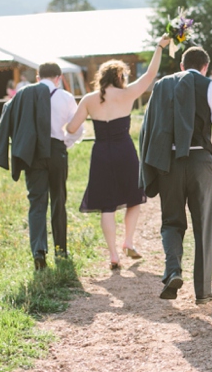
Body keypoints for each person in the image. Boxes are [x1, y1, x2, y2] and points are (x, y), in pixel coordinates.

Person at [139, 47, 212, 303]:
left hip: (168, 164)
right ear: (205, 67)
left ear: (182, 66)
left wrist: (149, 167)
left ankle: (172, 270)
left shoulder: (161, 86)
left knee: (171, 221)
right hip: (199, 163)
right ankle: (203, 291)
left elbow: (147, 128)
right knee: (203, 225)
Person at [66, 36, 171, 269]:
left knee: (107, 205)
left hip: (101, 154)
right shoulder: (127, 95)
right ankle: (129, 241)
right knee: (134, 198)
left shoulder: (89, 99)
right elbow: (150, 74)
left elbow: (72, 128)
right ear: (120, 76)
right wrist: (159, 47)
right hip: (125, 151)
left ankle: (113, 254)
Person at [0, 62, 84, 270]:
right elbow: (77, 129)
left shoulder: (23, 94)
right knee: (58, 200)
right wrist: (65, 144)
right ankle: (61, 249)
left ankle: (38, 251)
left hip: (33, 152)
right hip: (56, 151)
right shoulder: (65, 97)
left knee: (36, 202)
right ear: (59, 77)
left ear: (38, 78)